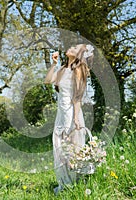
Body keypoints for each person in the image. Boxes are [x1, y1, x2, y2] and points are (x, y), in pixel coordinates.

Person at [44, 44, 94, 195]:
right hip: (61, 113)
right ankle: (65, 183)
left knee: (72, 147)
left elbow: (77, 97)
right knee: (60, 147)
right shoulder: (62, 69)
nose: (70, 47)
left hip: (71, 113)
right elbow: (48, 80)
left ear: (78, 55)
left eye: (74, 47)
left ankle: (75, 183)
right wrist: (54, 64)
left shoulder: (78, 71)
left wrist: (76, 119)